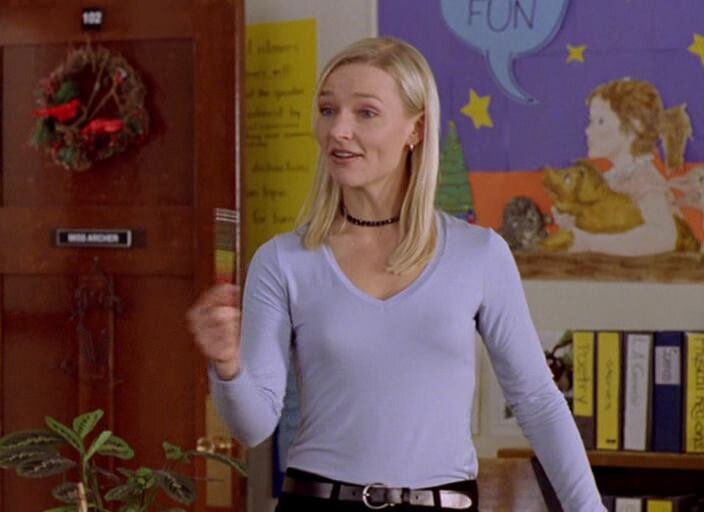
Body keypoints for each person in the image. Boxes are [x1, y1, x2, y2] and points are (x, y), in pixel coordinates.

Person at [188, 36, 605, 511]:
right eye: (328, 110)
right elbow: (253, 426)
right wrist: (228, 365)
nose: (338, 130)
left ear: (416, 129)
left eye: (365, 113)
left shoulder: (479, 255)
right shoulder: (283, 260)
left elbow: (538, 403)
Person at [552, 77, 698, 256]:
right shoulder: (611, 178)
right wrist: (573, 224)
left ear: (633, 127)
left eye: (600, 121)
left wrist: (590, 242)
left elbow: (664, 235)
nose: (588, 130)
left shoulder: (643, 178)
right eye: (591, 121)